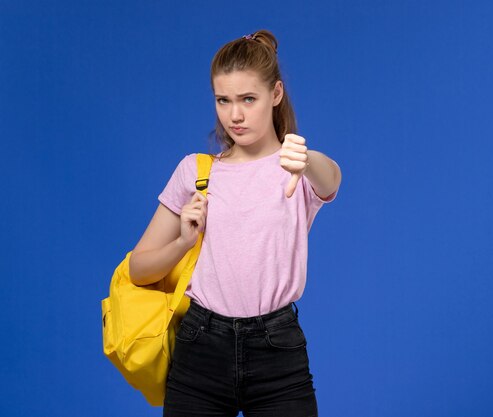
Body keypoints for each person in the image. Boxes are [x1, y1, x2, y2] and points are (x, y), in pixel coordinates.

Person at [128, 29, 341, 417]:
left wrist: (306, 158)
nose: (235, 115)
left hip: (277, 350)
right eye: (223, 100)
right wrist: (181, 243)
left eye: (248, 99)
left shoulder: (296, 169)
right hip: (200, 346)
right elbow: (138, 269)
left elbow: (332, 179)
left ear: (275, 94)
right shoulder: (195, 172)